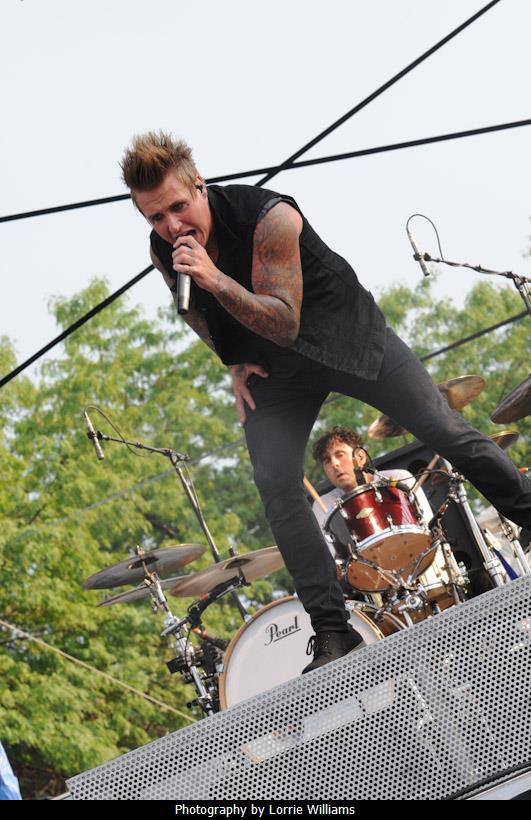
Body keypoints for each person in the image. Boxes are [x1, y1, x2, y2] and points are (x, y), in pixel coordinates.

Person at [120, 132, 531, 674]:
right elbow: (196, 312)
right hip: (275, 368)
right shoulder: (164, 252)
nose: (172, 226)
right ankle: (334, 631)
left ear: (200, 185)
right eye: (156, 217)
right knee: (275, 486)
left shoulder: (270, 218)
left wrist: (215, 278)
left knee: (443, 429)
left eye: (178, 207)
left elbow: (285, 320)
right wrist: (233, 361)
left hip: (347, 339)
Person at [310, 425, 433, 559]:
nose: (334, 464)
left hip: (419, 557)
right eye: (327, 460)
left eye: (339, 454)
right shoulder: (324, 505)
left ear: (360, 456)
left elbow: (428, 529)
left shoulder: (398, 478)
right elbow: (338, 559)